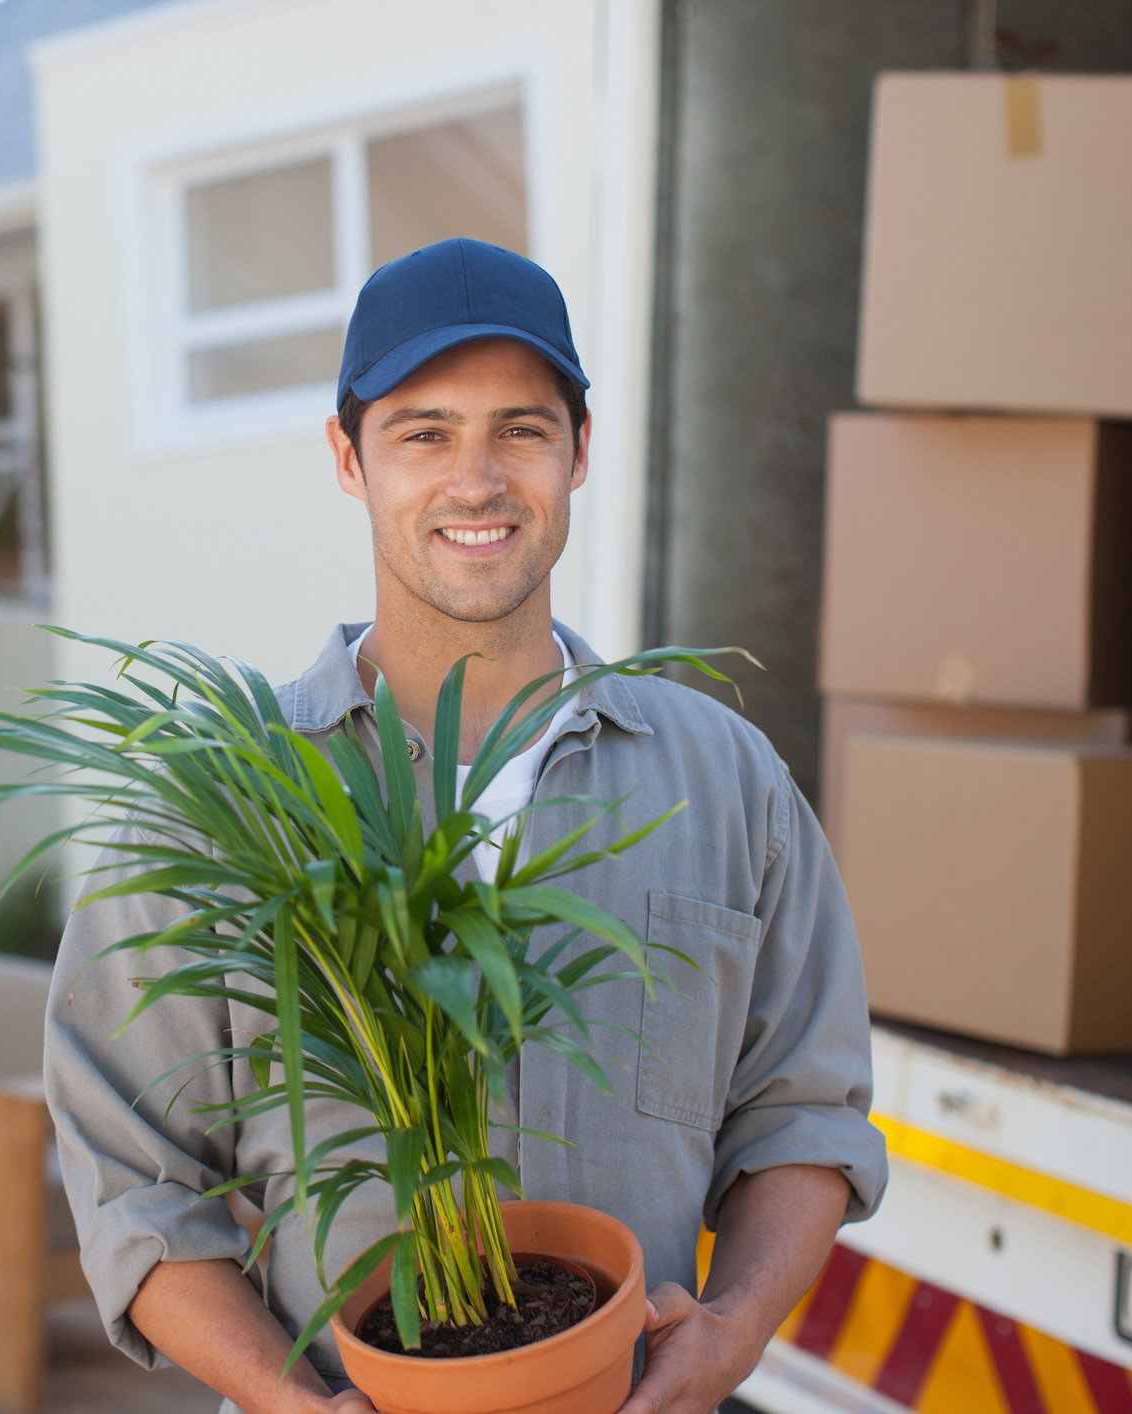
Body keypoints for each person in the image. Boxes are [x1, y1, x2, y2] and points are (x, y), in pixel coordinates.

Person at [44, 238, 886, 1414]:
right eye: (424, 432)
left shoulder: (724, 779)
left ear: (581, 452)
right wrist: (296, 1404)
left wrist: (735, 1331)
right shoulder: (229, 800)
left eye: (522, 430)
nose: (478, 479)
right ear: (350, 458)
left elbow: (805, 1108)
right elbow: (131, 1177)